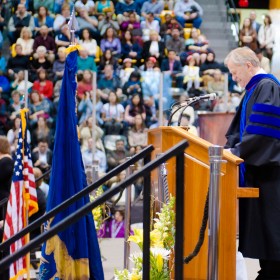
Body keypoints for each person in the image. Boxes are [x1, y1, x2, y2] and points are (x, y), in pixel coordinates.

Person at [224, 47, 280, 279]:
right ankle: (268, 271)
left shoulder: (267, 86)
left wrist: (237, 151)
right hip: (259, 171)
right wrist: (230, 149)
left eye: (235, 72)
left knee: (272, 229)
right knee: (264, 231)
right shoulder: (253, 90)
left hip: (270, 175)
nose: (234, 78)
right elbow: (241, 130)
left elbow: (262, 133)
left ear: (248, 65)